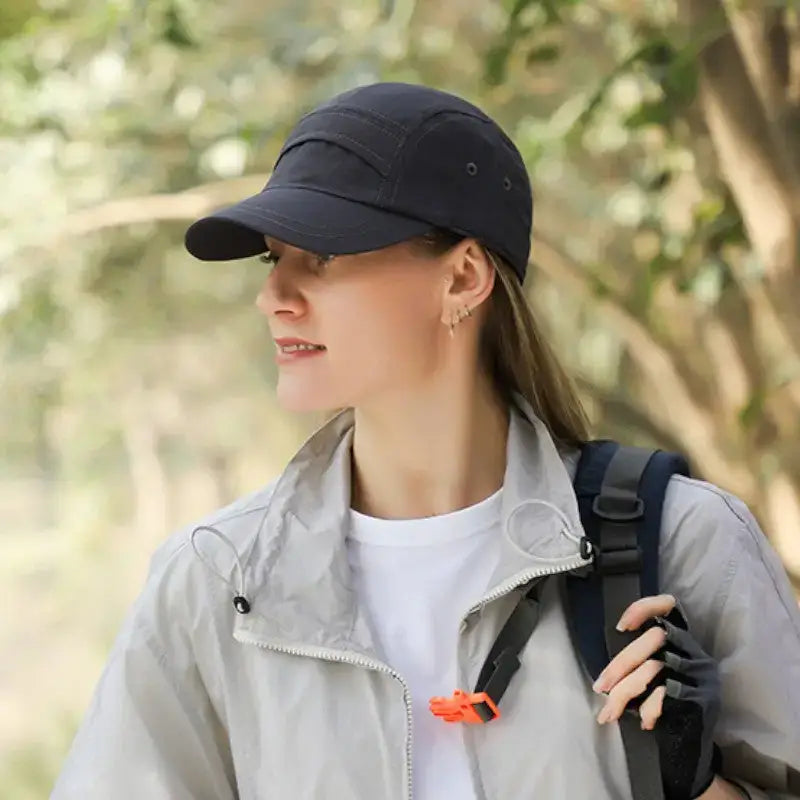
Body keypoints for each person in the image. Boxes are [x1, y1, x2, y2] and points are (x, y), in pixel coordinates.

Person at [51, 82, 800, 800]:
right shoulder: (217, 583)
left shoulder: (686, 545)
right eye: (274, 259)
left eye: (322, 257)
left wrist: (695, 780)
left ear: (464, 278)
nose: (273, 297)